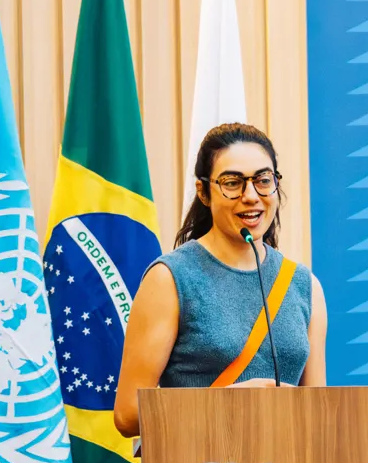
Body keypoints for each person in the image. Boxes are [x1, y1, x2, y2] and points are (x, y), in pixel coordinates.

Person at [114, 122, 327, 439]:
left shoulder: (304, 285)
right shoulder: (170, 278)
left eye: (263, 181)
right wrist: (226, 404)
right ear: (203, 192)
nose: (251, 196)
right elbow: (128, 415)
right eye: (232, 183)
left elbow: (320, 412)